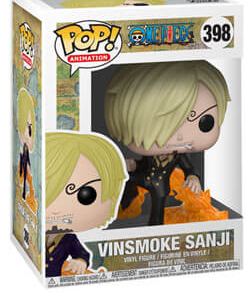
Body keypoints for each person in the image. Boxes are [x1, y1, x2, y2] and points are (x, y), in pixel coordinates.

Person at [104, 60, 231, 226]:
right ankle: (124, 208)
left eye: (204, 122)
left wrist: (193, 177)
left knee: (157, 213)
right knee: (126, 181)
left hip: (160, 185)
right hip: (144, 177)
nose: (180, 137)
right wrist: (133, 164)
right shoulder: (154, 153)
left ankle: (155, 230)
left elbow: (189, 168)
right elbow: (144, 163)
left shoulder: (178, 155)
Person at [45, 132, 127, 277]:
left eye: (86, 195)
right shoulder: (36, 232)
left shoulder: (68, 238)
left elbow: (82, 253)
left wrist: (81, 261)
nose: (57, 210)